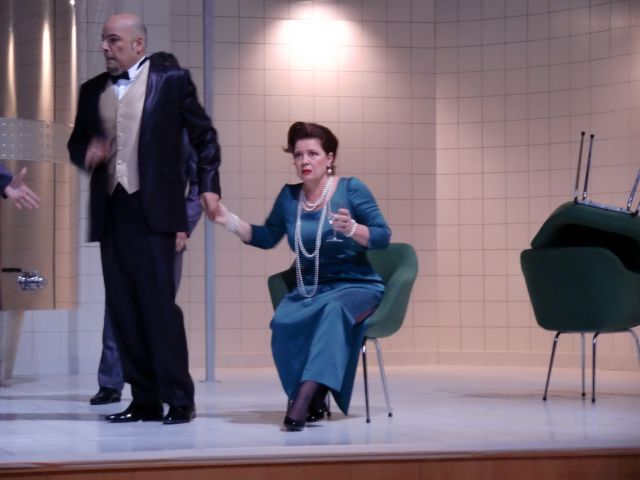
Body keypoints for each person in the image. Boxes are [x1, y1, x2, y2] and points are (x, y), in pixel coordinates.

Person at [68, 13, 221, 425]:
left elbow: (204, 136)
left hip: (155, 210)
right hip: (112, 212)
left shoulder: (172, 81)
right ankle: (144, 399)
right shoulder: (91, 90)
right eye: (103, 39)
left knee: (159, 310)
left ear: (138, 44)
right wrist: (87, 152)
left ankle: (180, 399)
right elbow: (75, 143)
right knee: (123, 310)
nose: (105, 47)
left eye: (113, 40)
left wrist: (209, 185)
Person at [213, 121, 391, 431]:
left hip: (357, 285)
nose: (304, 161)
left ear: (329, 158)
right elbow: (267, 237)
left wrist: (352, 229)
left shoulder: (351, 189)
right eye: (298, 155)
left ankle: (304, 397)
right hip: (310, 288)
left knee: (334, 312)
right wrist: (227, 220)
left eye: (313, 154)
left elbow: (383, 236)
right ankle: (314, 394)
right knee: (282, 323)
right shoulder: (290, 197)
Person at [90, 134, 203, 406]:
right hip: (125, 227)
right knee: (118, 307)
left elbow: (199, 183)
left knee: (160, 312)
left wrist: (184, 224)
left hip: (165, 232)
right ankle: (111, 382)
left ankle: (164, 387)